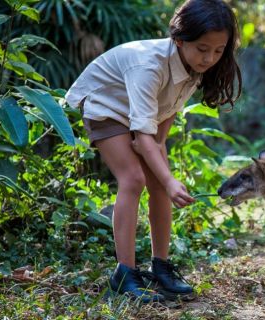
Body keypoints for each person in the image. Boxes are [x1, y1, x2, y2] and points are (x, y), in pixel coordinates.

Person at [65, 0, 242, 303]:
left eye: (218, 50)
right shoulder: (148, 65)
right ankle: (124, 274)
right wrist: (171, 179)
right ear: (179, 38)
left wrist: (167, 179)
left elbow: (157, 133)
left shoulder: (192, 67)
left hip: (140, 117)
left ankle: (160, 268)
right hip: (105, 106)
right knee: (133, 179)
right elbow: (143, 139)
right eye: (202, 48)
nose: (210, 58)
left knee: (160, 182)